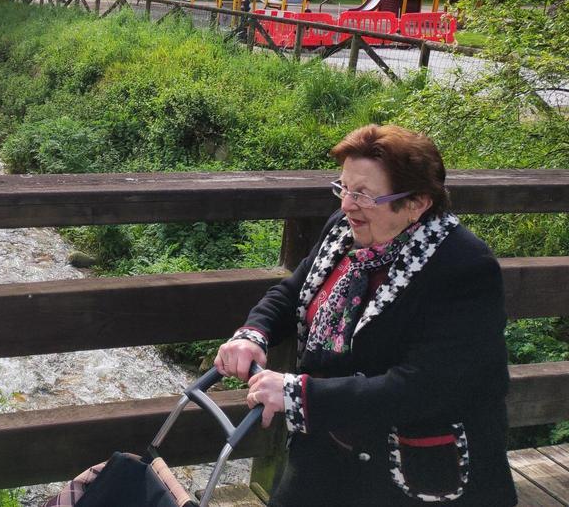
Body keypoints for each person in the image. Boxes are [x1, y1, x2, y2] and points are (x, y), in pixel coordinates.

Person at [214, 124, 516, 506]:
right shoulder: (344, 231)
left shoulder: (464, 267)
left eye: (363, 195)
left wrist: (301, 394)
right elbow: (293, 291)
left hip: (416, 470)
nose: (346, 205)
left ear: (417, 203)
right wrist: (253, 333)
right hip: (327, 447)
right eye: (343, 188)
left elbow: (425, 387)